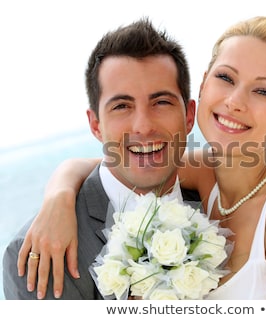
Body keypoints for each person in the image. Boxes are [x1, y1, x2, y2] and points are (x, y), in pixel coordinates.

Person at [6, 16, 266, 300]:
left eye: (263, 90)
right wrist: (59, 196)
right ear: (203, 87)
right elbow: (114, 162)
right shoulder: (204, 176)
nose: (235, 101)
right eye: (226, 78)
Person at [3, 17, 197, 299]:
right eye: (122, 106)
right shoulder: (39, 255)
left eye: (161, 102)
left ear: (189, 116)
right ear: (95, 125)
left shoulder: (222, 202)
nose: (143, 126)